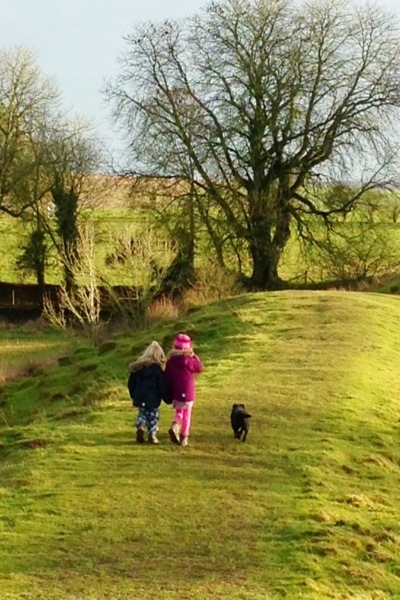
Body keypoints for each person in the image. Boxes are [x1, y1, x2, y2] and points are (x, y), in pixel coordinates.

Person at [127, 341, 170, 444]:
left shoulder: (138, 369)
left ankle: (141, 425)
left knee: (142, 413)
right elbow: (162, 386)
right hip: (153, 398)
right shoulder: (157, 371)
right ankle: (152, 435)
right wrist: (168, 398)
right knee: (153, 415)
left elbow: (131, 383)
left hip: (140, 396)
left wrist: (134, 395)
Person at [165, 333, 203, 447]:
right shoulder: (189, 360)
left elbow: (167, 376)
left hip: (176, 392)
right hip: (188, 392)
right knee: (187, 413)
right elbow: (199, 368)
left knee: (179, 411)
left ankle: (175, 425)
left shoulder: (171, 361)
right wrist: (194, 355)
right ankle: (184, 437)